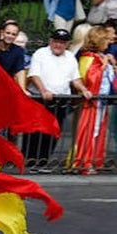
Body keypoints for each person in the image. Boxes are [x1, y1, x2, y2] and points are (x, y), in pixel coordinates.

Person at [24, 28, 91, 170]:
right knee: (35, 131)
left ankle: (42, 161)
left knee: (53, 131)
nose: (58, 45)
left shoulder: (70, 57)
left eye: (62, 42)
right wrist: (43, 90)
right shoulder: (41, 53)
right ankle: (30, 160)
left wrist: (84, 89)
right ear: (50, 41)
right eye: (56, 41)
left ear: (67, 44)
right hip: (40, 98)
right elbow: (34, 74)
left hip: (60, 100)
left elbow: (75, 79)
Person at [72, 26, 113, 174]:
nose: (109, 43)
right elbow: (89, 78)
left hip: (101, 101)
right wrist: (103, 66)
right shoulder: (89, 57)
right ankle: (84, 162)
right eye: (106, 40)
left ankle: (93, 160)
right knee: (90, 131)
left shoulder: (99, 57)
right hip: (93, 102)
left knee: (96, 131)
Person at [0, 20, 28, 90]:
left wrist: (23, 90)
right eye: (8, 33)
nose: (10, 36)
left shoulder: (18, 51)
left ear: (16, 36)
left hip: (5, 86)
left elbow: (20, 70)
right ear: (2, 32)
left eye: (13, 34)